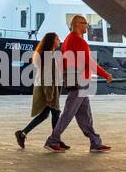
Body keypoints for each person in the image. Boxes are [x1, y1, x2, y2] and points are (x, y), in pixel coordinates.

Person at [44, 15, 113, 153]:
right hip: (80, 81)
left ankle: (95, 142)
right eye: (85, 23)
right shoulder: (79, 41)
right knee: (69, 113)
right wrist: (106, 75)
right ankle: (52, 140)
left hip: (73, 79)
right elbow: (89, 63)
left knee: (84, 114)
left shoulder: (68, 40)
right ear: (76, 25)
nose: (87, 25)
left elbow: (64, 61)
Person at [15, 32, 65, 149]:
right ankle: (55, 140)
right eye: (57, 38)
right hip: (48, 88)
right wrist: (49, 94)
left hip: (49, 87)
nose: (59, 40)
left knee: (46, 114)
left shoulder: (47, 54)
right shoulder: (47, 55)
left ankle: (22, 133)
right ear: (51, 41)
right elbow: (47, 76)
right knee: (55, 112)